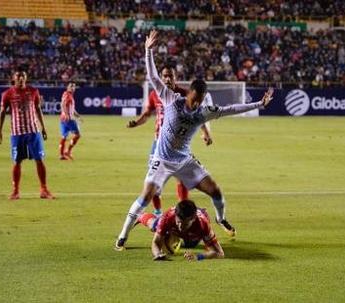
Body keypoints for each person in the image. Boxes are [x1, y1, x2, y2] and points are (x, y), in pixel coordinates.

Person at [115, 30, 274, 250]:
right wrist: (148, 51)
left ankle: (220, 218)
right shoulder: (171, 99)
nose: (198, 104)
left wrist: (259, 104)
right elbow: (152, 76)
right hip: (162, 159)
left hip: (185, 160)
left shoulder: (204, 111)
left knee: (215, 190)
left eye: (201, 101)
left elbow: (230, 109)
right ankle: (122, 235)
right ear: (189, 94)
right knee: (145, 196)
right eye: (195, 99)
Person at [127, 66, 213, 215]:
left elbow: (198, 114)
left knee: (182, 179)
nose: (167, 79)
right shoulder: (155, 94)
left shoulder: (185, 94)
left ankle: (183, 210)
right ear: (160, 77)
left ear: (176, 77)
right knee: (153, 182)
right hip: (159, 144)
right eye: (165, 76)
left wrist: (206, 132)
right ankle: (158, 212)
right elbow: (147, 114)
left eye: (170, 76)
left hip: (179, 145)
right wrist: (136, 122)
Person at [0, 69, 55, 200]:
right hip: (17, 133)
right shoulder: (7, 94)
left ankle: (44, 189)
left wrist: (43, 128)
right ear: (14, 78)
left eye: (23, 76)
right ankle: (15, 191)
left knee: (39, 160)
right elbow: (2, 113)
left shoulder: (33, 91)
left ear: (26, 78)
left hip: (33, 132)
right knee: (17, 161)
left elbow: (38, 109)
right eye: (18, 76)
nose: (21, 78)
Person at [137, 200, 224, 261]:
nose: (180, 227)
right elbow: (156, 242)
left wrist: (198, 256)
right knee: (154, 225)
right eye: (178, 222)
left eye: (184, 224)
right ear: (175, 215)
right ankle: (140, 215)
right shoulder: (168, 217)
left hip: (192, 233)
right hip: (172, 229)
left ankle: (174, 237)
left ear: (193, 219)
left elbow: (219, 253)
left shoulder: (203, 224)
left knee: (191, 245)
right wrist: (157, 254)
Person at [59, 81, 81, 160]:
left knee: (64, 136)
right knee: (78, 135)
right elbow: (63, 104)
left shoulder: (66, 94)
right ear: (67, 87)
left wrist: (76, 114)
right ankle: (68, 151)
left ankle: (61, 155)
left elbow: (70, 106)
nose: (72, 88)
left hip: (63, 119)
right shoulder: (68, 95)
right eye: (71, 86)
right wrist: (67, 114)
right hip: (69, 119)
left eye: (74, 86)